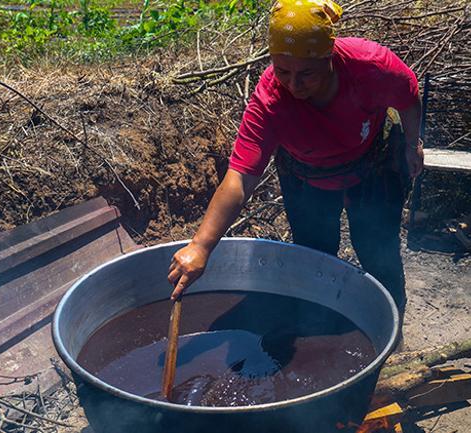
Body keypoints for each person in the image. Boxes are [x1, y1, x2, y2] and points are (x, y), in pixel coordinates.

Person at [167, 0, 423, 316]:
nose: (293, 84)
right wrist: (201, 246)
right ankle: (319, 323)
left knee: (376, 247)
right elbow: (240, 177)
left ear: (330, 58)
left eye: (307, 73)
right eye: (282, 70)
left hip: (374, 163)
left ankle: (391, 319)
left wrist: (413, 145)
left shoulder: (369, 66)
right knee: (314, 253)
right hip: (307, 175)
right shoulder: (270, 99)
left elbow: (409, 96)